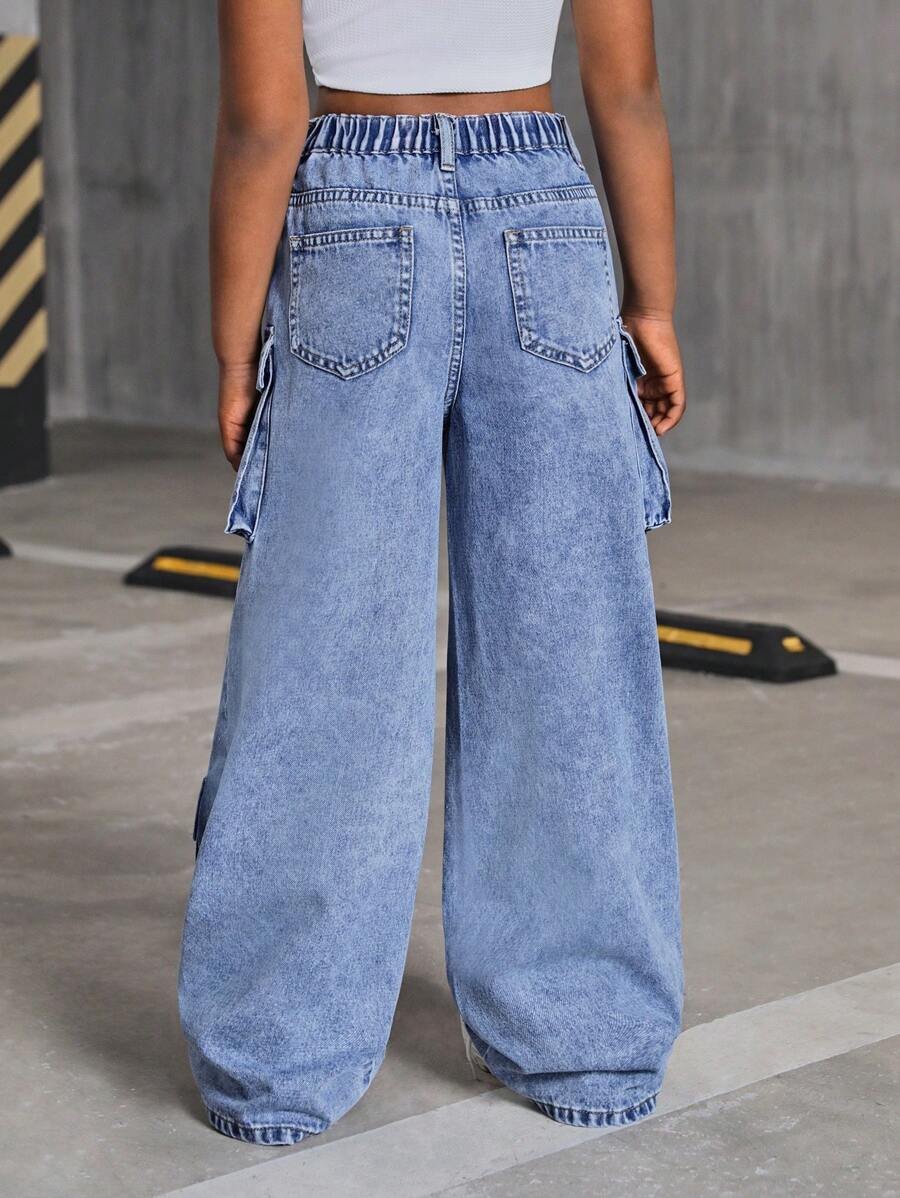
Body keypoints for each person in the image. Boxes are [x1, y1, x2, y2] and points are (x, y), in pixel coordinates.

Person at [179, 0, 686, 1145]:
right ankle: (589, 1037)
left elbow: (263, 123)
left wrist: (234, 348)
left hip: (352, 222)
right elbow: (628, 92)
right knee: (568, 658)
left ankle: (278, 1059)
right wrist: (651, 304)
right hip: (545, 216)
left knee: (326, 658)